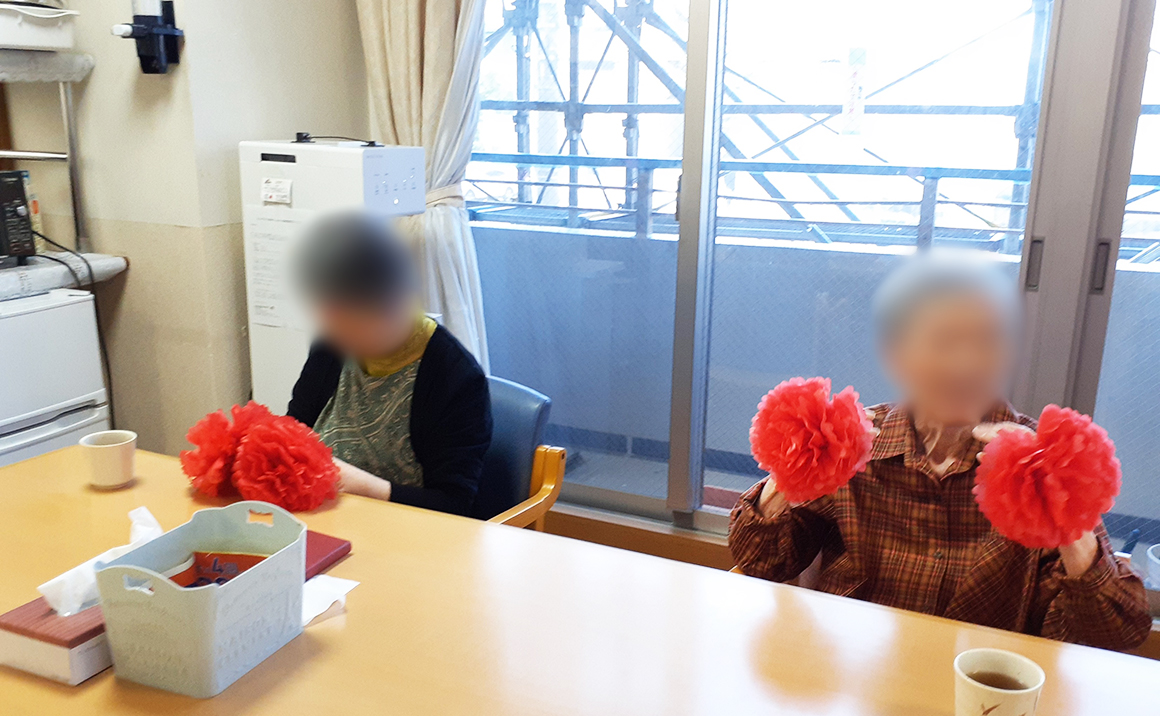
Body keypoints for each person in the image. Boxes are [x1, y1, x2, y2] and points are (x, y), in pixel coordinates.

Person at [729, 253, 1151, 650]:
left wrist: (1063, 516)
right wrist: (795, 468)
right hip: (854, 668)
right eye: (943, 342)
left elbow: (1117, 632)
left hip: (977, 682)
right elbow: (760, 560)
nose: (965, 365)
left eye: (986, 342)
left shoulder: (1042, 465)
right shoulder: (854, 446)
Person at [286, 211, 492, 516]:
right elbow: (294, 431)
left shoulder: (455, 376)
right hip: (328, 515)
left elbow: (455, 505)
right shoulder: (332, 345)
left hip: (408, 529)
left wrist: (365, 486)